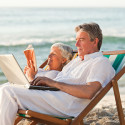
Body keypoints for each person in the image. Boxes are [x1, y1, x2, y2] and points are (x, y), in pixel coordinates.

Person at [0, 22, 115, 125]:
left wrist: (53, 83)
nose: (76, 45)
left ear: (95, 41)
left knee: (8, 92)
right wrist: (41, 83)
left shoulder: (101, 62)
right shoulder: (77, 61)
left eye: (81, 40)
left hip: (65, 104)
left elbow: (89, 92)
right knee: (5, 87)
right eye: (76, 40)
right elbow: (59, 79)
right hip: (52, 95)